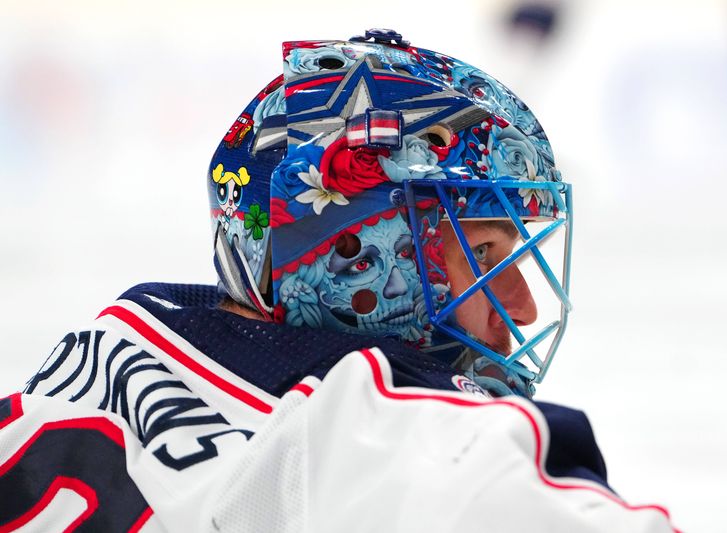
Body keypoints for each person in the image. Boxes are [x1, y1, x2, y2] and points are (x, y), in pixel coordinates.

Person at [0, 29, 677, 532]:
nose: (524, 308)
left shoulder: (92, 362)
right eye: (490, 253)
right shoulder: (413, 444)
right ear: (352, 245)